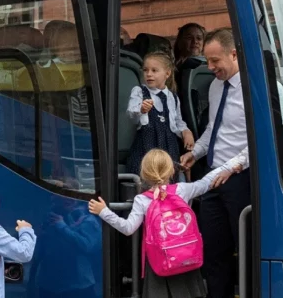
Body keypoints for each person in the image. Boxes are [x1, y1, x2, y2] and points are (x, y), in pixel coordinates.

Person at [89, 149, 232, 298]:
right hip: (185, 258)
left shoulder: (142, 200)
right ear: (171, 171)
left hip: (160, 260)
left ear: (144, 173)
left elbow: (128, 228)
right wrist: (229, 166)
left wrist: (104, 211)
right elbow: (206, 183)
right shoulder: (182, 190)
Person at [178, 27, 250, 298]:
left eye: (215, 61)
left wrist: (234, 166)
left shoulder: (257, 87)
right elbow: (213, 129)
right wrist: (195, 152)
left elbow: (260, 141)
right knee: (214, 251)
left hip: (240, 179)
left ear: (233, 54)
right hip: (212, 178)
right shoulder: (216, 86)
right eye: (207, 61)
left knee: (246, 251)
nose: (210, 67)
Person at [125, 51, 194, 176]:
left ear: (167, 73)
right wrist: (141, 109)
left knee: (168, 177)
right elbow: (131, 115)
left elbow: (177, 120)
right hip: (147, 145)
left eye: (154, 70)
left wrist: (186, 131)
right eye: (146, 70)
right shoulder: (140, 91)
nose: (149, 74)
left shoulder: (172, 96)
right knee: (146, 177)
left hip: (169, 146)